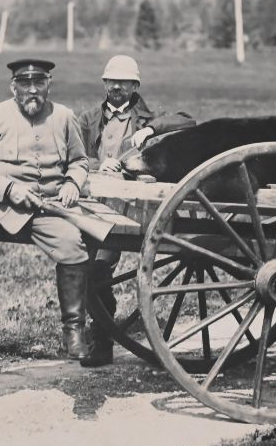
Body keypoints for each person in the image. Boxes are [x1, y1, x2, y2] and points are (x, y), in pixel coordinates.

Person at [0, 58, 92, 359]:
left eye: (39, 83)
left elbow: (80, 161)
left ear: (48, 85)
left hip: (46, 205)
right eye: (25, 84)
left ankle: (74, 332)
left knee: (72, 246)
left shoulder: (64, 117)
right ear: (13, 87)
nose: (32, 91)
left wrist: (72, 184)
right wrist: (8, 189)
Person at [74, 54, 194, 366]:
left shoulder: (146, 117)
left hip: (134, 209)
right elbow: (73, 156)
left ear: (135, 85)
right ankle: (100, 340)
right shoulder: (88, 119)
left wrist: (151, 130)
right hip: (94, 205)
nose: (116, 87)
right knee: (92, 271)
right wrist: (101, 164)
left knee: (100, 267)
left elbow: (187, 120)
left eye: (123, 82)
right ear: (104, 84)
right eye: (111, 81)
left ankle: (100, 339)